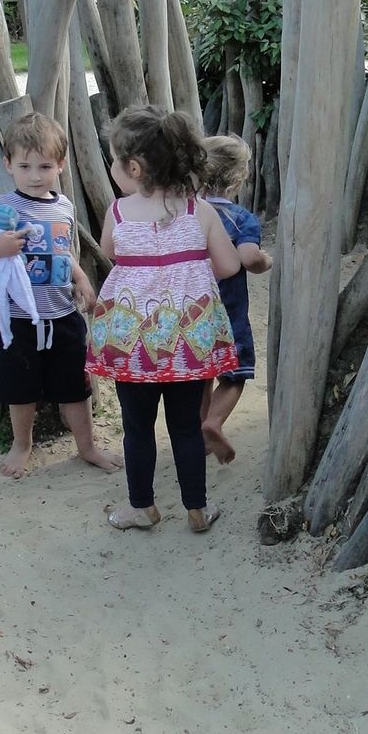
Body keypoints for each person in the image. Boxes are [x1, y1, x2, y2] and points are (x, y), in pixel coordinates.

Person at [87, 106, 241, 534]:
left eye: (115, 160)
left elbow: (111, 252)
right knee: (186, 428)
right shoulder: (200, 212)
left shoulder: (118, 214)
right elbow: (228, 267)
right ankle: (197, 509)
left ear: (133, 167)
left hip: (132, 341)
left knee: (137, 429)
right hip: (187, 342)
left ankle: (143, 507)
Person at [0, 111, 120, 479]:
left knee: (76, 387)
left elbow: (63, 250)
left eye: (44, 166)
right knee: (21, 390)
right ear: (8, 165)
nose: (34, 175)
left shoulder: (63, 206)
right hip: (18, 319)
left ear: (60, 165)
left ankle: (87, 446)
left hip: (63, 315)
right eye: (25, 166)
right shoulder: (3, 207)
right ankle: (22, 444)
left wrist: (81, 278)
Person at [198, 135, 273, 463]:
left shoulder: (189, 213)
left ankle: (199, 430)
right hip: (228, 313)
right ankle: (213, 422)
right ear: (240, 177)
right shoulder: (240, 219)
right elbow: (248, 258)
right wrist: (266, 261)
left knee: (201, 374)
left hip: (191, 312)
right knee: (234, 375)